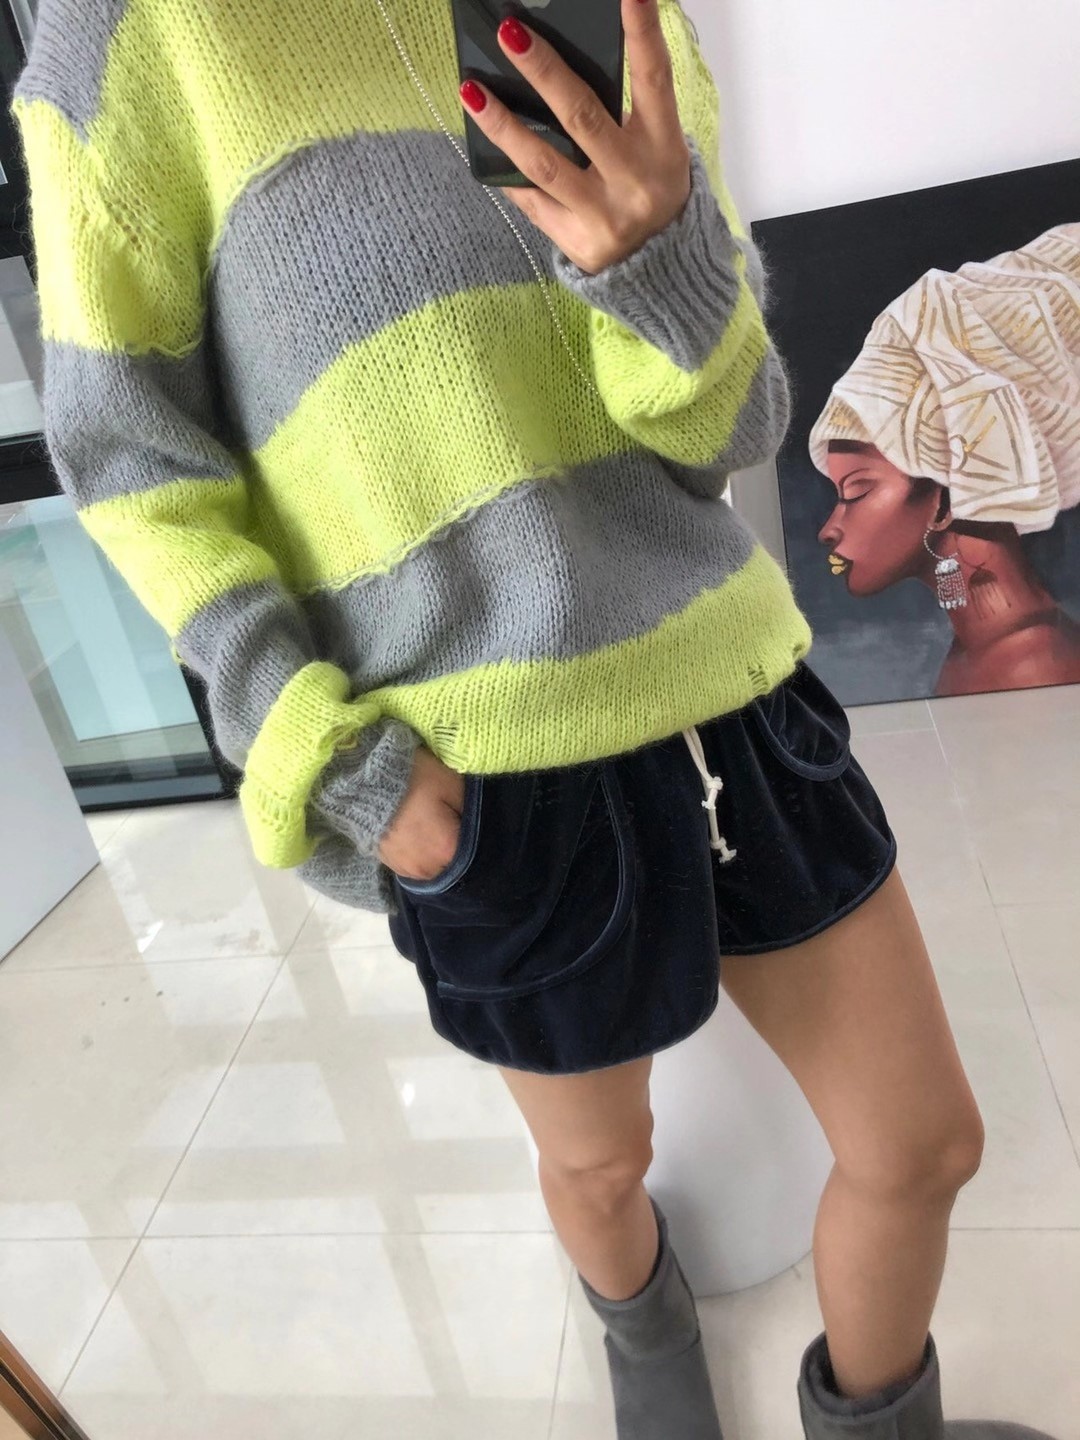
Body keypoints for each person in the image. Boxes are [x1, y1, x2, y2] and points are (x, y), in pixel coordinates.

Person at [14, 2, 1055, 1437]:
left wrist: (653, 268)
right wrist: (346, 767)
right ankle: (650, 1352)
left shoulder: (619, 15)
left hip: (728, 693)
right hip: (483, 778)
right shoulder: (128, 35)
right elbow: (133, 462)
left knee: (923, 1143)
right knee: (600, 1165)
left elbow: (729, 431)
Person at [812, 226, 1080, 698]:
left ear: (946, 500)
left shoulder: (1029, 665)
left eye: (856, 490)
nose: (828, 530)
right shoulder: (983, 648)